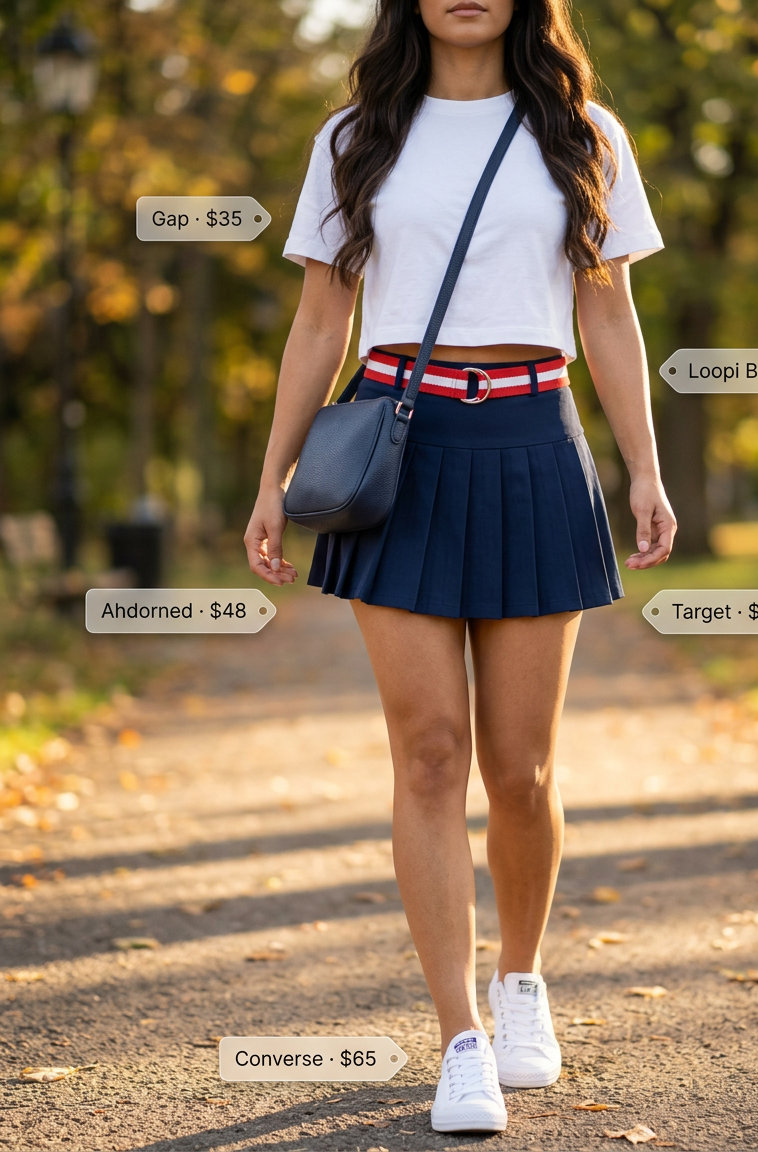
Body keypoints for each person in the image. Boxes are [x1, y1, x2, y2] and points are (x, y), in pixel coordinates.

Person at [245, 0, 676, 1134]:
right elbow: (317, 322)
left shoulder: (583, 131)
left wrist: (643, 467)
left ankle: (521, 982)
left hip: (536, 443)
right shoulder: (355, 138)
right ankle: (460, 1040)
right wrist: (271, 478)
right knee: (429, 753)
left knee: (520, 769)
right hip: (401, 449)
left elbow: (610, 312)